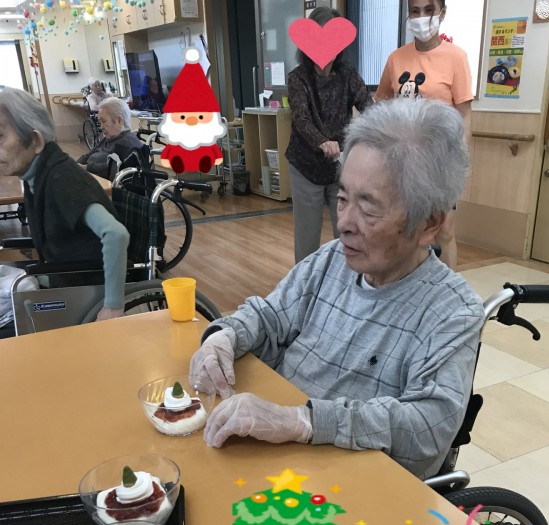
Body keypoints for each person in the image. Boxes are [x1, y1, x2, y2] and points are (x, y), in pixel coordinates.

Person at [189, 99, 485, 480]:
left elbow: (426, 430)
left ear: (428, 223)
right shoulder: (332, 259)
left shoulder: (453, 311)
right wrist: (224, 338)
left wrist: (304, 421)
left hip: (344, 480)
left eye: (368, 208)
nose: (343, 222)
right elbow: (270, 315)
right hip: (270, 449)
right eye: (343, 198)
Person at [0, 88, 129, 321]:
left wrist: (113, 305)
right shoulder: (37, 174)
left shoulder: (62, 179)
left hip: (84, 290)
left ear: (36, 141)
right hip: (64, 278)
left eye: (0, 136)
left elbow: (115, 234)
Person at [375, 0, 473, 270]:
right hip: (402, 156)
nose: (422, 17)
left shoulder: (456, 58)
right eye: (415, 11)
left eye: (429, 10)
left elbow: (464, 115)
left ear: (442, 13)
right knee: (405, 226)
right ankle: (408, 283)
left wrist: (462, 161)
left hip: (440, 158)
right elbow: (381, 105)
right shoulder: (396, 58)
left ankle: (447, 287)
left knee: (445, 228)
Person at [286, 6, 372, 264]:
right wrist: (322, 141)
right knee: (308, 237)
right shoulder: (298, 78)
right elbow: (301, 118)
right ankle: (305, 283)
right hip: (306, 165)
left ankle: (347, 281)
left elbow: (368, 107)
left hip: (341, 165)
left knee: (348, 231)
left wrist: (384, 129)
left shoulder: (348, 75)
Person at [158, 47, 225, 175]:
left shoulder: (205, 141)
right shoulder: (177, 141)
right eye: (182, 117)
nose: (192, 120)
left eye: (201, 117)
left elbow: (216, 154)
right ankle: (179, 161)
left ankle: (204, 161)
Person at [77, 97, 145, 179]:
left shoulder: (128, 142)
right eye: (100, 122)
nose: (101, 127)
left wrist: (86, 167)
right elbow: (88, 155)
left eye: (104, 121)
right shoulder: (109, 138)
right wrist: (76, 165)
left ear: (119, 120)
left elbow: (114, 168)